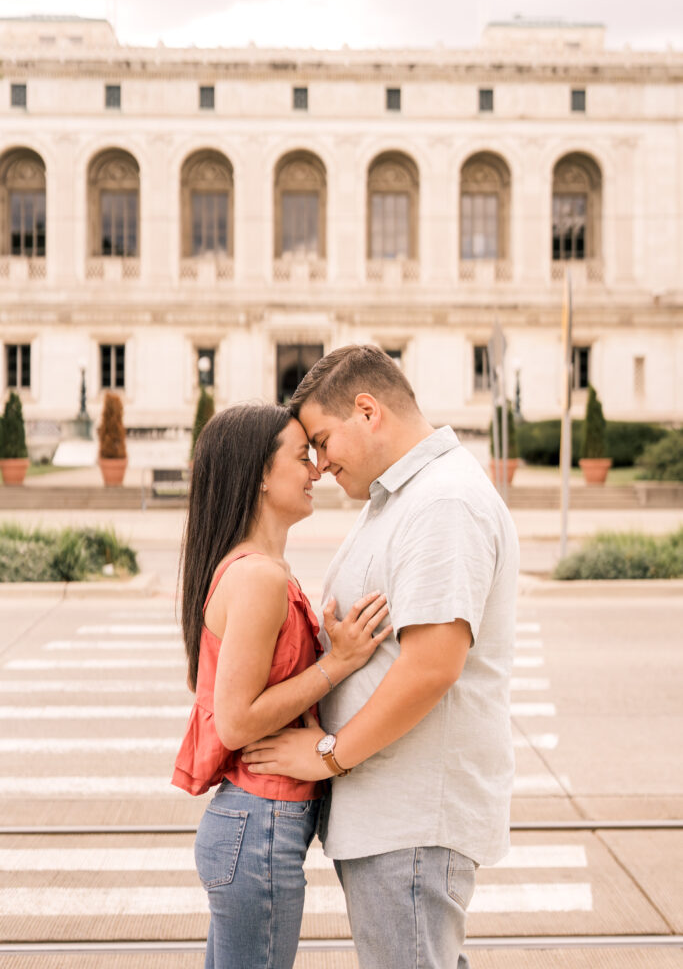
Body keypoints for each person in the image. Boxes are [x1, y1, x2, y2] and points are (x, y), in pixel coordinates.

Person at [242, 345, 520, 969]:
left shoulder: (442, 502)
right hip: (392, 817)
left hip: (411, 821)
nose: (318, 462)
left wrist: (326, 756)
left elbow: (431, 666)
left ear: (367, 411)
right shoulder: (399, 499)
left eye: (322, 438)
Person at [172, 402, 391, 969]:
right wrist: (336, 663)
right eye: (302, 457)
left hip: (255, 827)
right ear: (261, 475)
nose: (316, 469)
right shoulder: (259, 577)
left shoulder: (261, 568)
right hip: (259, 826)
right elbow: (238, 719)